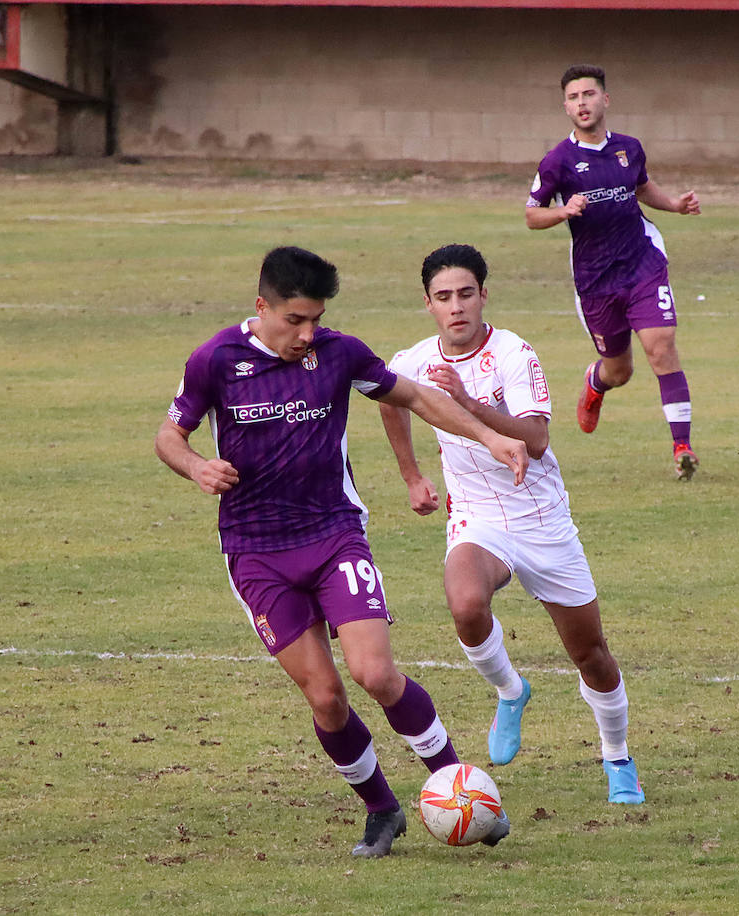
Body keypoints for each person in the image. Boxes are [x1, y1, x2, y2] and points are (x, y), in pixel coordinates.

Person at [155, 246, 529, 856]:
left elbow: (411, 396)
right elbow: (170, 435)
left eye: (316, 320)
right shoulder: (215, 360)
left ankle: (463, 788)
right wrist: (196, 466)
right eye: (295, 320)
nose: (308, 333)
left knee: (375, 673)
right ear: (261, 307)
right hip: (256, 553)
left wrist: (490, 435)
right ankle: (383, 811)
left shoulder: (339, 352)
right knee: (326, 698)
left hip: (333, 535)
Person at [379, 243, 643, 805]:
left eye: (466, 294)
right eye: (444, 297)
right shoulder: (414, 359)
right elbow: (388, 399)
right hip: (478, 517)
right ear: (428, 303)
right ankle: (510, 689)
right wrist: (411, 476)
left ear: (483, 296)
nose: (457, 307)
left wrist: (468, 401)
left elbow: (537, 439)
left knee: (590, 655)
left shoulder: (514, 354)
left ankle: (617, 757)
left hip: (541, 518)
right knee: (466, 605)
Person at [525, 64, 702, 480]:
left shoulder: (629, 148)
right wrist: (563, 211)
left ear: (605, 100)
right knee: (619, 370)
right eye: (573, 97)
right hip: (596, 279)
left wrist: (675, 204)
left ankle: (682, 447)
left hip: (642, 261)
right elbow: (532, 215)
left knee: (661, 346)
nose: (582, 103)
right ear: (565, 106)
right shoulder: (558, 161)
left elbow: (641, 188)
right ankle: (596, 382)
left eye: (589, 95)